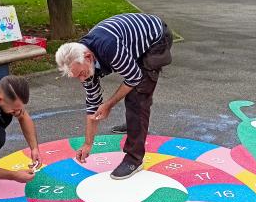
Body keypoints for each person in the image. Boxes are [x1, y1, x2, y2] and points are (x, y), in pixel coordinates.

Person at [55, 13, 172, 179]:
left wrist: (109, 104)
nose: (82, 79)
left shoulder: (108, 47)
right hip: (132, 40)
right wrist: (88, 144)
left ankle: (134, 159)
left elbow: (134, 77)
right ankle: (136, 123)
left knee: (137, 98)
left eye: (82, 73)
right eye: (77, 76)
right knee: (136, 96)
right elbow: (93, 105)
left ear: (88, 57)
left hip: (157, 38)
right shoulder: (83, 60)